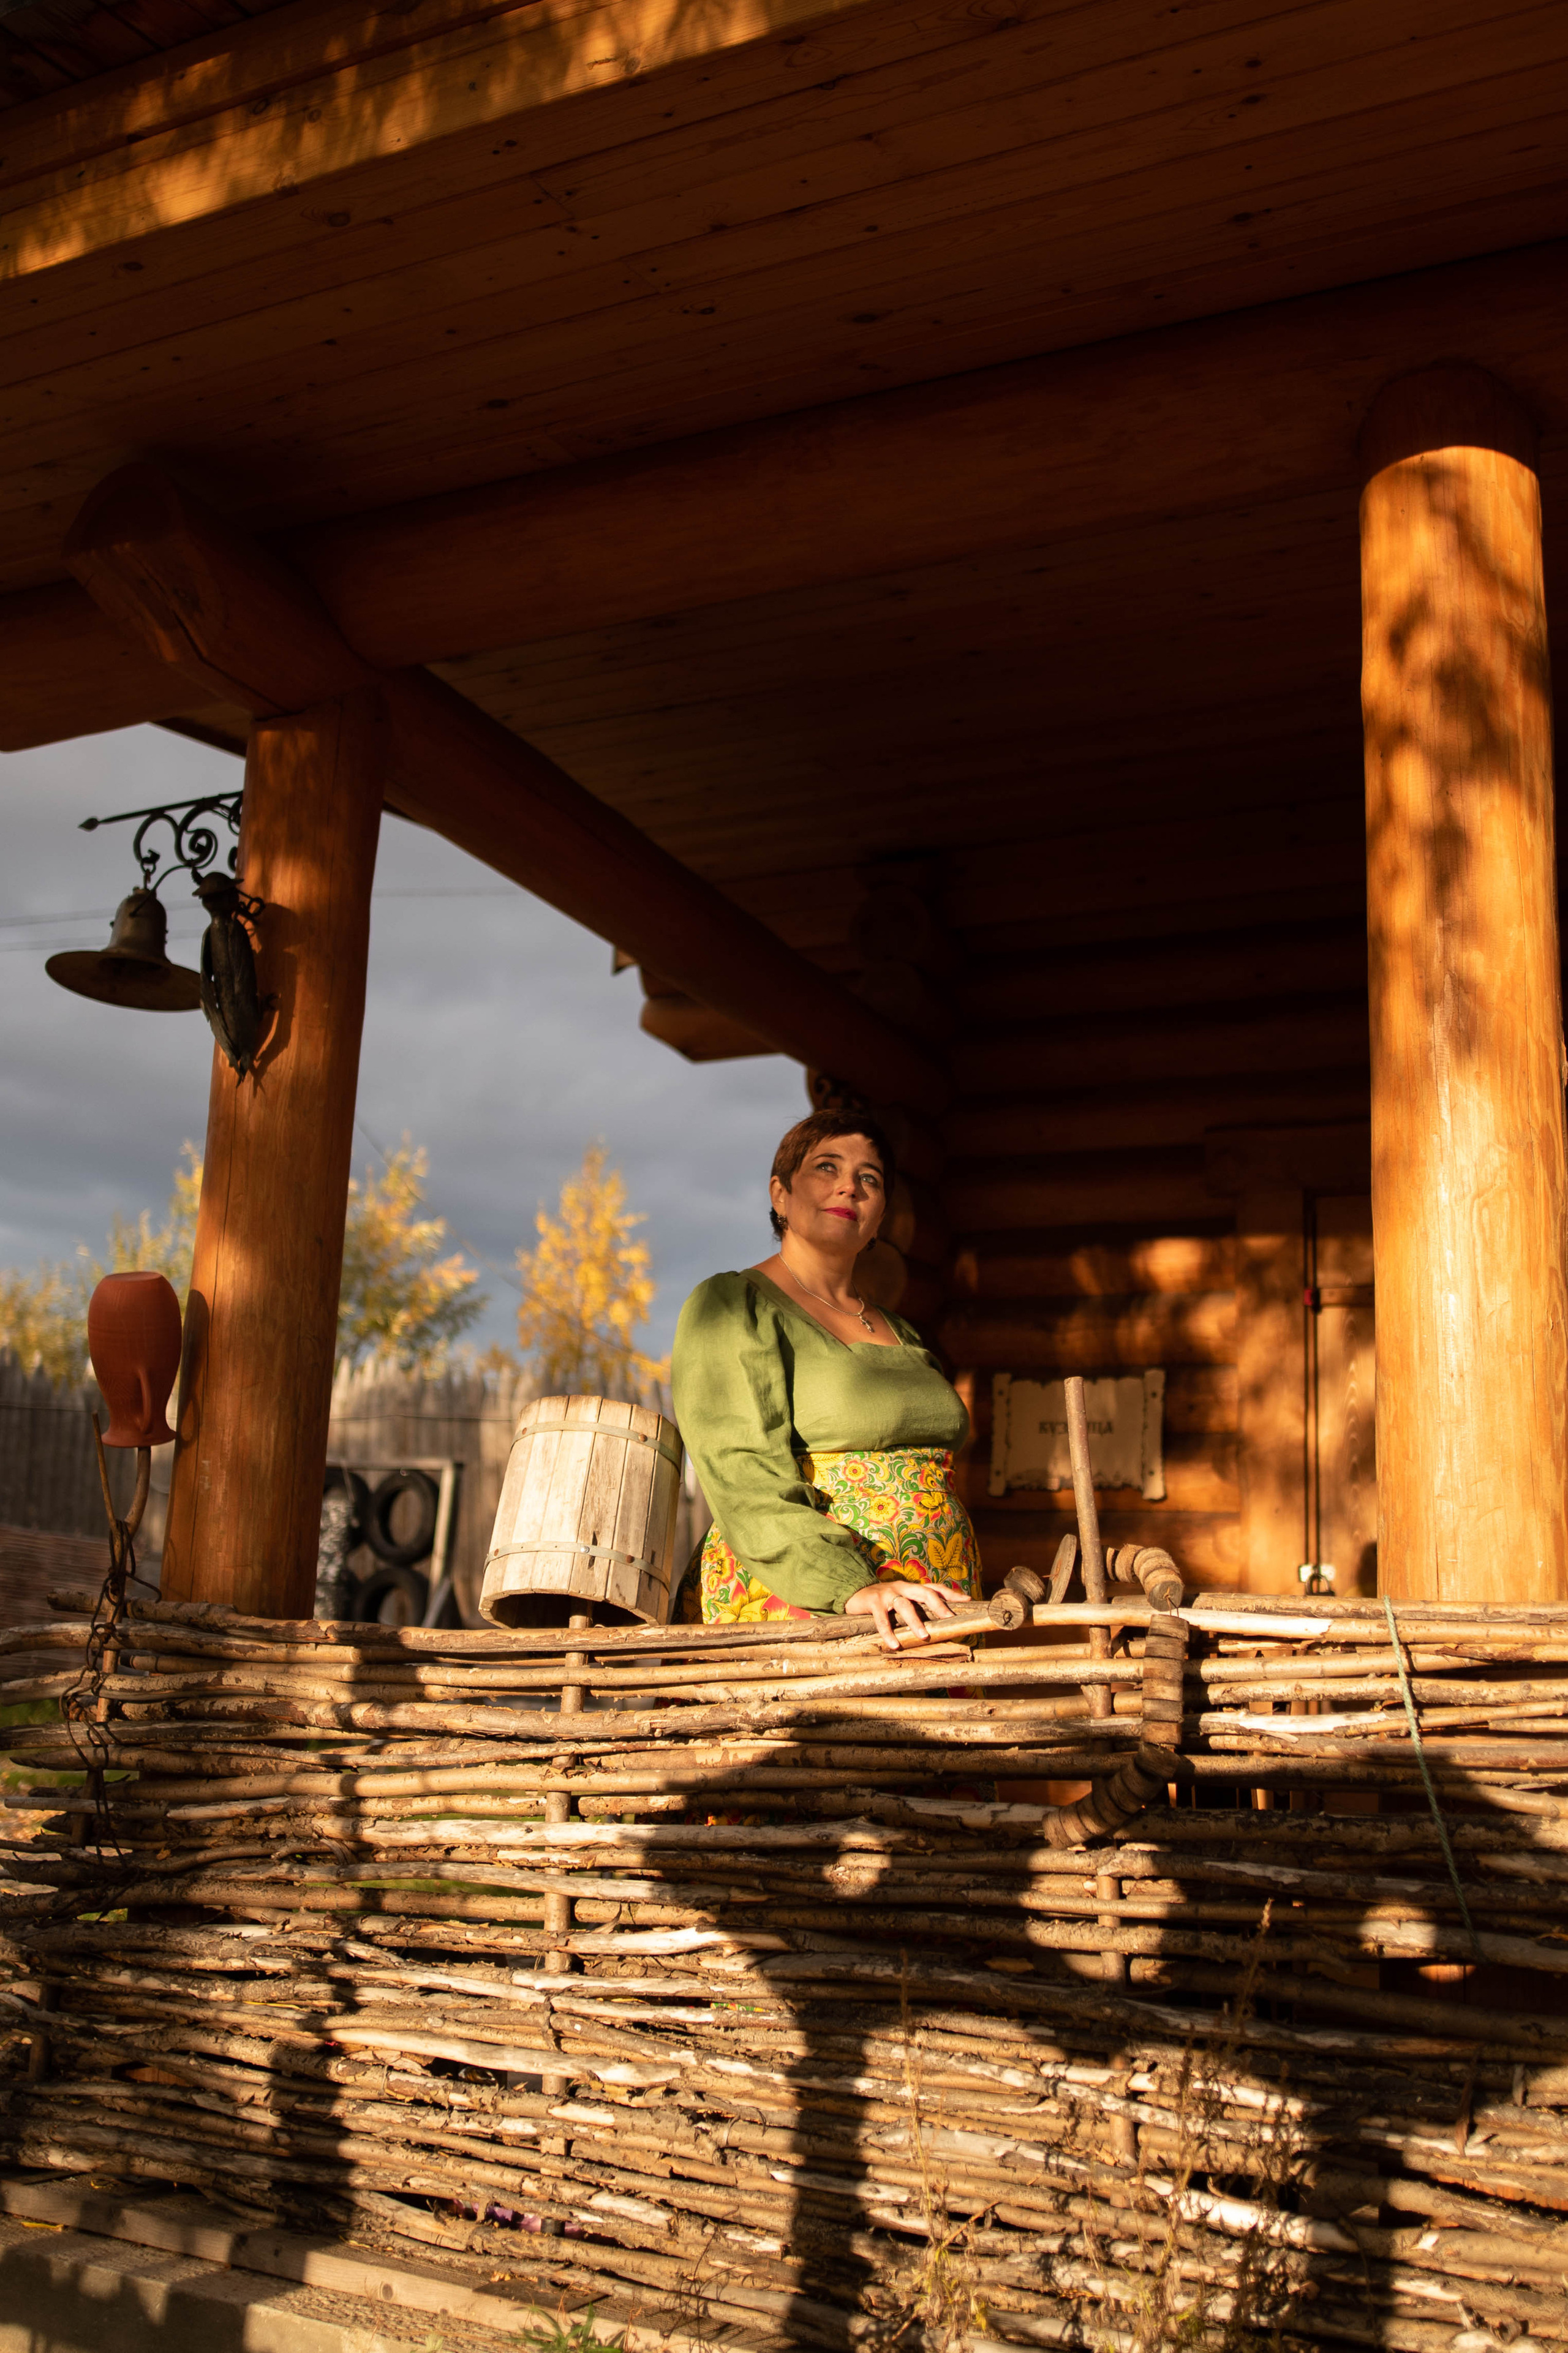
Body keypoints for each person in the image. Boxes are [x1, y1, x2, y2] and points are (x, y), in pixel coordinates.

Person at [671, 1109, 981, 1650]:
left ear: (881, 1216)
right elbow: (740, 1471)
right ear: (780, 1194)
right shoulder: (733, 1305)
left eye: (870, 1178)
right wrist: (848, 1586)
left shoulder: (900, 1330)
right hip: (812, 1599)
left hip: (928, 1600)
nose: (849, 1187)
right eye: (826, 1167)